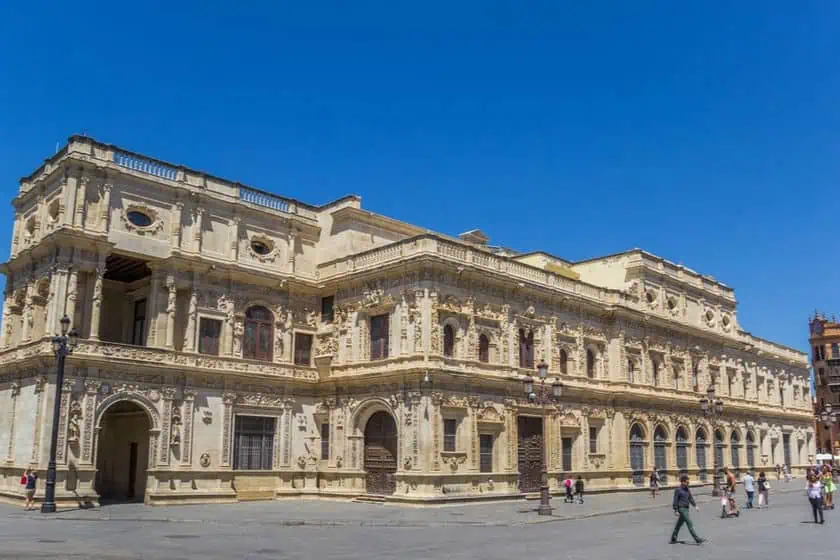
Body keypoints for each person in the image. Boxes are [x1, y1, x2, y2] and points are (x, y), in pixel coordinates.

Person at [670, 474, 704, 545]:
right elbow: (675, 500)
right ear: (682, 482)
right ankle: (697, 539)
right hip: (681, 508)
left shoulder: (687, 489)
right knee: (689, 523)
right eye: (687, 482)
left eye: (688, 482)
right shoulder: (678, 490)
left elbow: (690, 498)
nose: (688, 483)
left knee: (679, 524)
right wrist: (676, 510)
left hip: (686, 508)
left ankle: (673, 537)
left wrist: (695, 506)